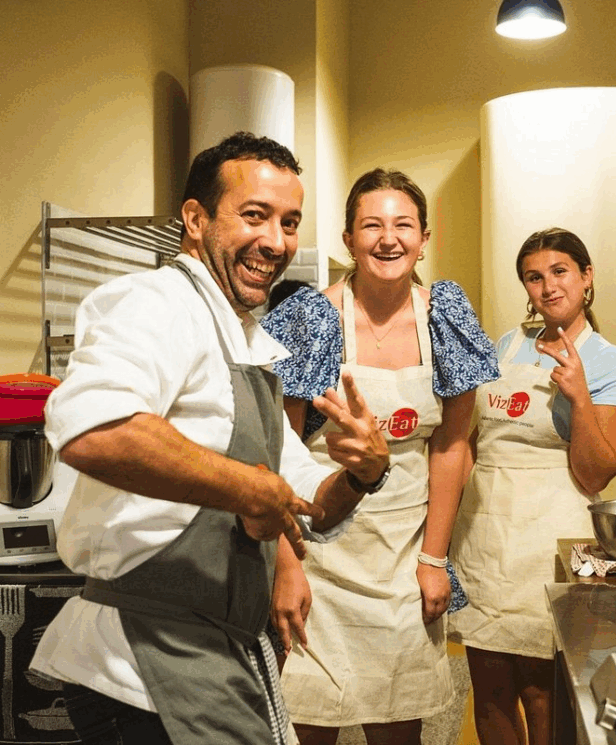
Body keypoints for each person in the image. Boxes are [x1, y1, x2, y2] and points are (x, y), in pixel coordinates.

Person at [29, 132, 391, 745]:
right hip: (143, 659)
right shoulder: (155, 303)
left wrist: (361, 475)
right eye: (255, 216)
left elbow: (308, 505)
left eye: (289, 222)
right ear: (195, 219)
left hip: (214, 653)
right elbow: (93, 429)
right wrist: (247, 489)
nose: (275, 242)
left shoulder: (247, 343)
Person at [261, 168, 499, 745]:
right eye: (371, 225)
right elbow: (281, 453)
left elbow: (450, 445)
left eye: (403, 225)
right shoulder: (310, 320)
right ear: (349, 239)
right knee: (309, 723)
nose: (388, 239)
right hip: (319, 555)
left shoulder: (444, 317)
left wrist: (434, 559)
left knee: (398, 726)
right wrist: (286, 568)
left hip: (403, 558)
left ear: (424, 238)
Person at [448, 227, 616, 745]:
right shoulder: (506, 345)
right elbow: (472, 440)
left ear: (586, 277)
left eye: (559, 272)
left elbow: (596, 473)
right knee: (488, 688)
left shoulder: (608, 361)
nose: (548, 286)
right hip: (485, 534)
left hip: (556, 535)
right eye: (534, 277)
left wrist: (578, 397)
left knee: (543, 691)